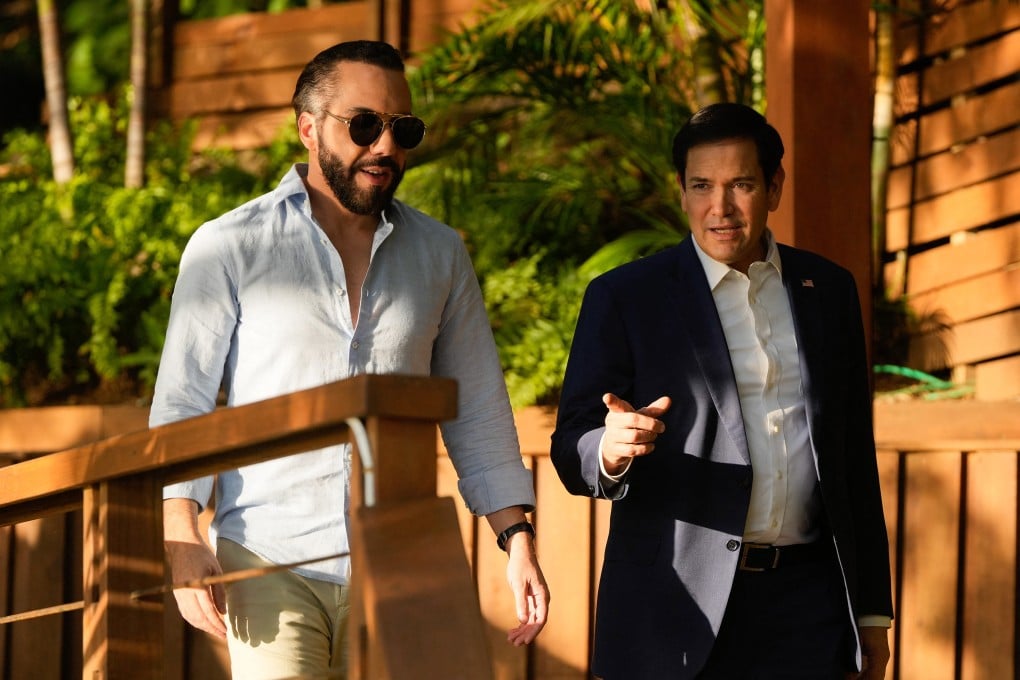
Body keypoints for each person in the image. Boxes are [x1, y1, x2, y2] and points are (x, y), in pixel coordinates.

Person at [150, 40, 549, 679]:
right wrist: (182, 535)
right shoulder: (228, 246)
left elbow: (476, 405)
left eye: (402, 129)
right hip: (270, 558)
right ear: (309, 128)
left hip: (403, 564)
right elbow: (184, 401)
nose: (385, 147)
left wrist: (517, 536)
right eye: (364, 125)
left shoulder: (441, 255)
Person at [550, 102, 892, 679]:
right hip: (676, 613)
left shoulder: (828, 290)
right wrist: (607, 451)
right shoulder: (626, 297)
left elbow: (854, 456)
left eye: (742, 184)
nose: (721, 207)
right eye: (702, 185)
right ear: (680, 191)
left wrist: (873, 615)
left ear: (775, 188)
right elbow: (572, 443)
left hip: (810, 606)